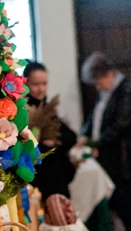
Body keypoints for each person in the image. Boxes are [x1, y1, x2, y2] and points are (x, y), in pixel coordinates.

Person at [78, 52, 131, 231]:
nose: (97, 86)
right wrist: (85, 134)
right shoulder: (107, 92)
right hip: (110, 157)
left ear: (108, 74)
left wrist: (96, 143)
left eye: (98, 81)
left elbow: (121, 125)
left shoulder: (126, 91)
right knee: (120, 202)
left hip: (122, 159)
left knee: (126, 202)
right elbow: (94, 117)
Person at [23, 62, 77, 201]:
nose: (41, 89)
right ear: (25, 83)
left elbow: (71, 137)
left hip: (58, 178)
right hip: (39, 179)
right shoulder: (22, 111)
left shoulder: (48, 109)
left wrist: (53, 141)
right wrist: (42, 143)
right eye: (36, 84)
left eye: (44, 83)